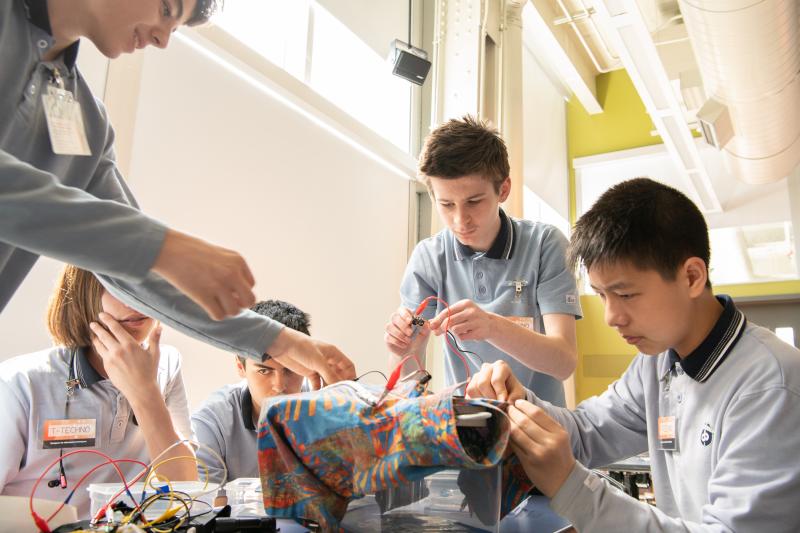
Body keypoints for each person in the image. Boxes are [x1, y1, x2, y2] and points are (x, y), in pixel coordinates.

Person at [0, 0, 354, 384]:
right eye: (167, 10)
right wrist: (162, 246)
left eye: (176, 26)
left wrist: (280, 340)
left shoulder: (87, 122)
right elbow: (144, 250)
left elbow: (139, 273)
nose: (162, 38)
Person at [466, 177, 800, 531]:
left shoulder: (771, 386)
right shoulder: (657, 362)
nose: (611, 317)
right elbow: (587, 431)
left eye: (624, 295)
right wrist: (520, 404)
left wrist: (572, 486)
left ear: (691, 277)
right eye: (602, 295)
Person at [384, 116, 581, 406]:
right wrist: (402, 350)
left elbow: (563, 362)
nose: (460, 220)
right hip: (468, 430)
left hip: (539, 427)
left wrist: (492, 326)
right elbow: (405, 388)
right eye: (446, 204)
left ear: (503, 189)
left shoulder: (545, 245)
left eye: (474, 202)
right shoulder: (429, 258)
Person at [0, 265, 196, 517]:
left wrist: (145, 393)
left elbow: (185, 485)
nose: (136, 299)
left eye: (147, 285)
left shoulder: (166, 363)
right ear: (86, 291)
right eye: (119, 285)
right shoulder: (20, 383)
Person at [192, 300, 308, 482]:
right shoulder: (212, 421)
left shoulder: (332, 406)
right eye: (264, 371)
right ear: (241, 367)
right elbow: (206, 504)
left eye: (290, 370)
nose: (279, 385)